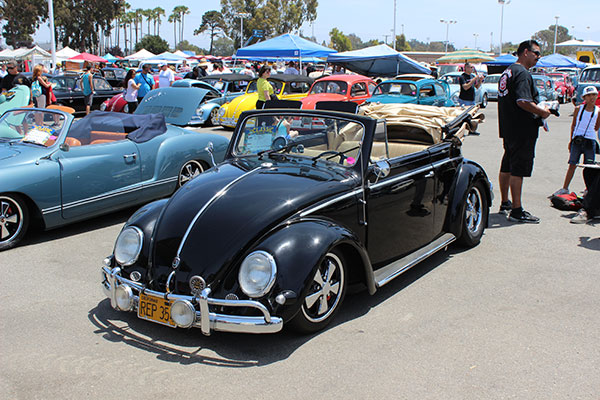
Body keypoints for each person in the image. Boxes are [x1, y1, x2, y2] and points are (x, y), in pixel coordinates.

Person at [497, 39, 552, 223]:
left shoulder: (508, 72)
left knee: (507, 165)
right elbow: (522, 101)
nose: (538, 57)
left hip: (509, 128)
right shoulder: (522, 73)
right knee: (518, 170)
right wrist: (542, 111)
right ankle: (516, 210)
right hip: (522, 130)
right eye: (537, 53)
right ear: (526, 52)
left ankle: (505, 202)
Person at [553, 86, 600, 196]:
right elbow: (573, 125)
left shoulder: (598, 111)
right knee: (572, 164)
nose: (591, 98)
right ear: (584, 97)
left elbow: (596, 127)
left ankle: (589, 189)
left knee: (589, 167)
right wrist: (571, 140)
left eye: (593, 95)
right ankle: (565, 188)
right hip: (577, 140)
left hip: (590, 140)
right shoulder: (579, 109)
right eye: (588, 95)